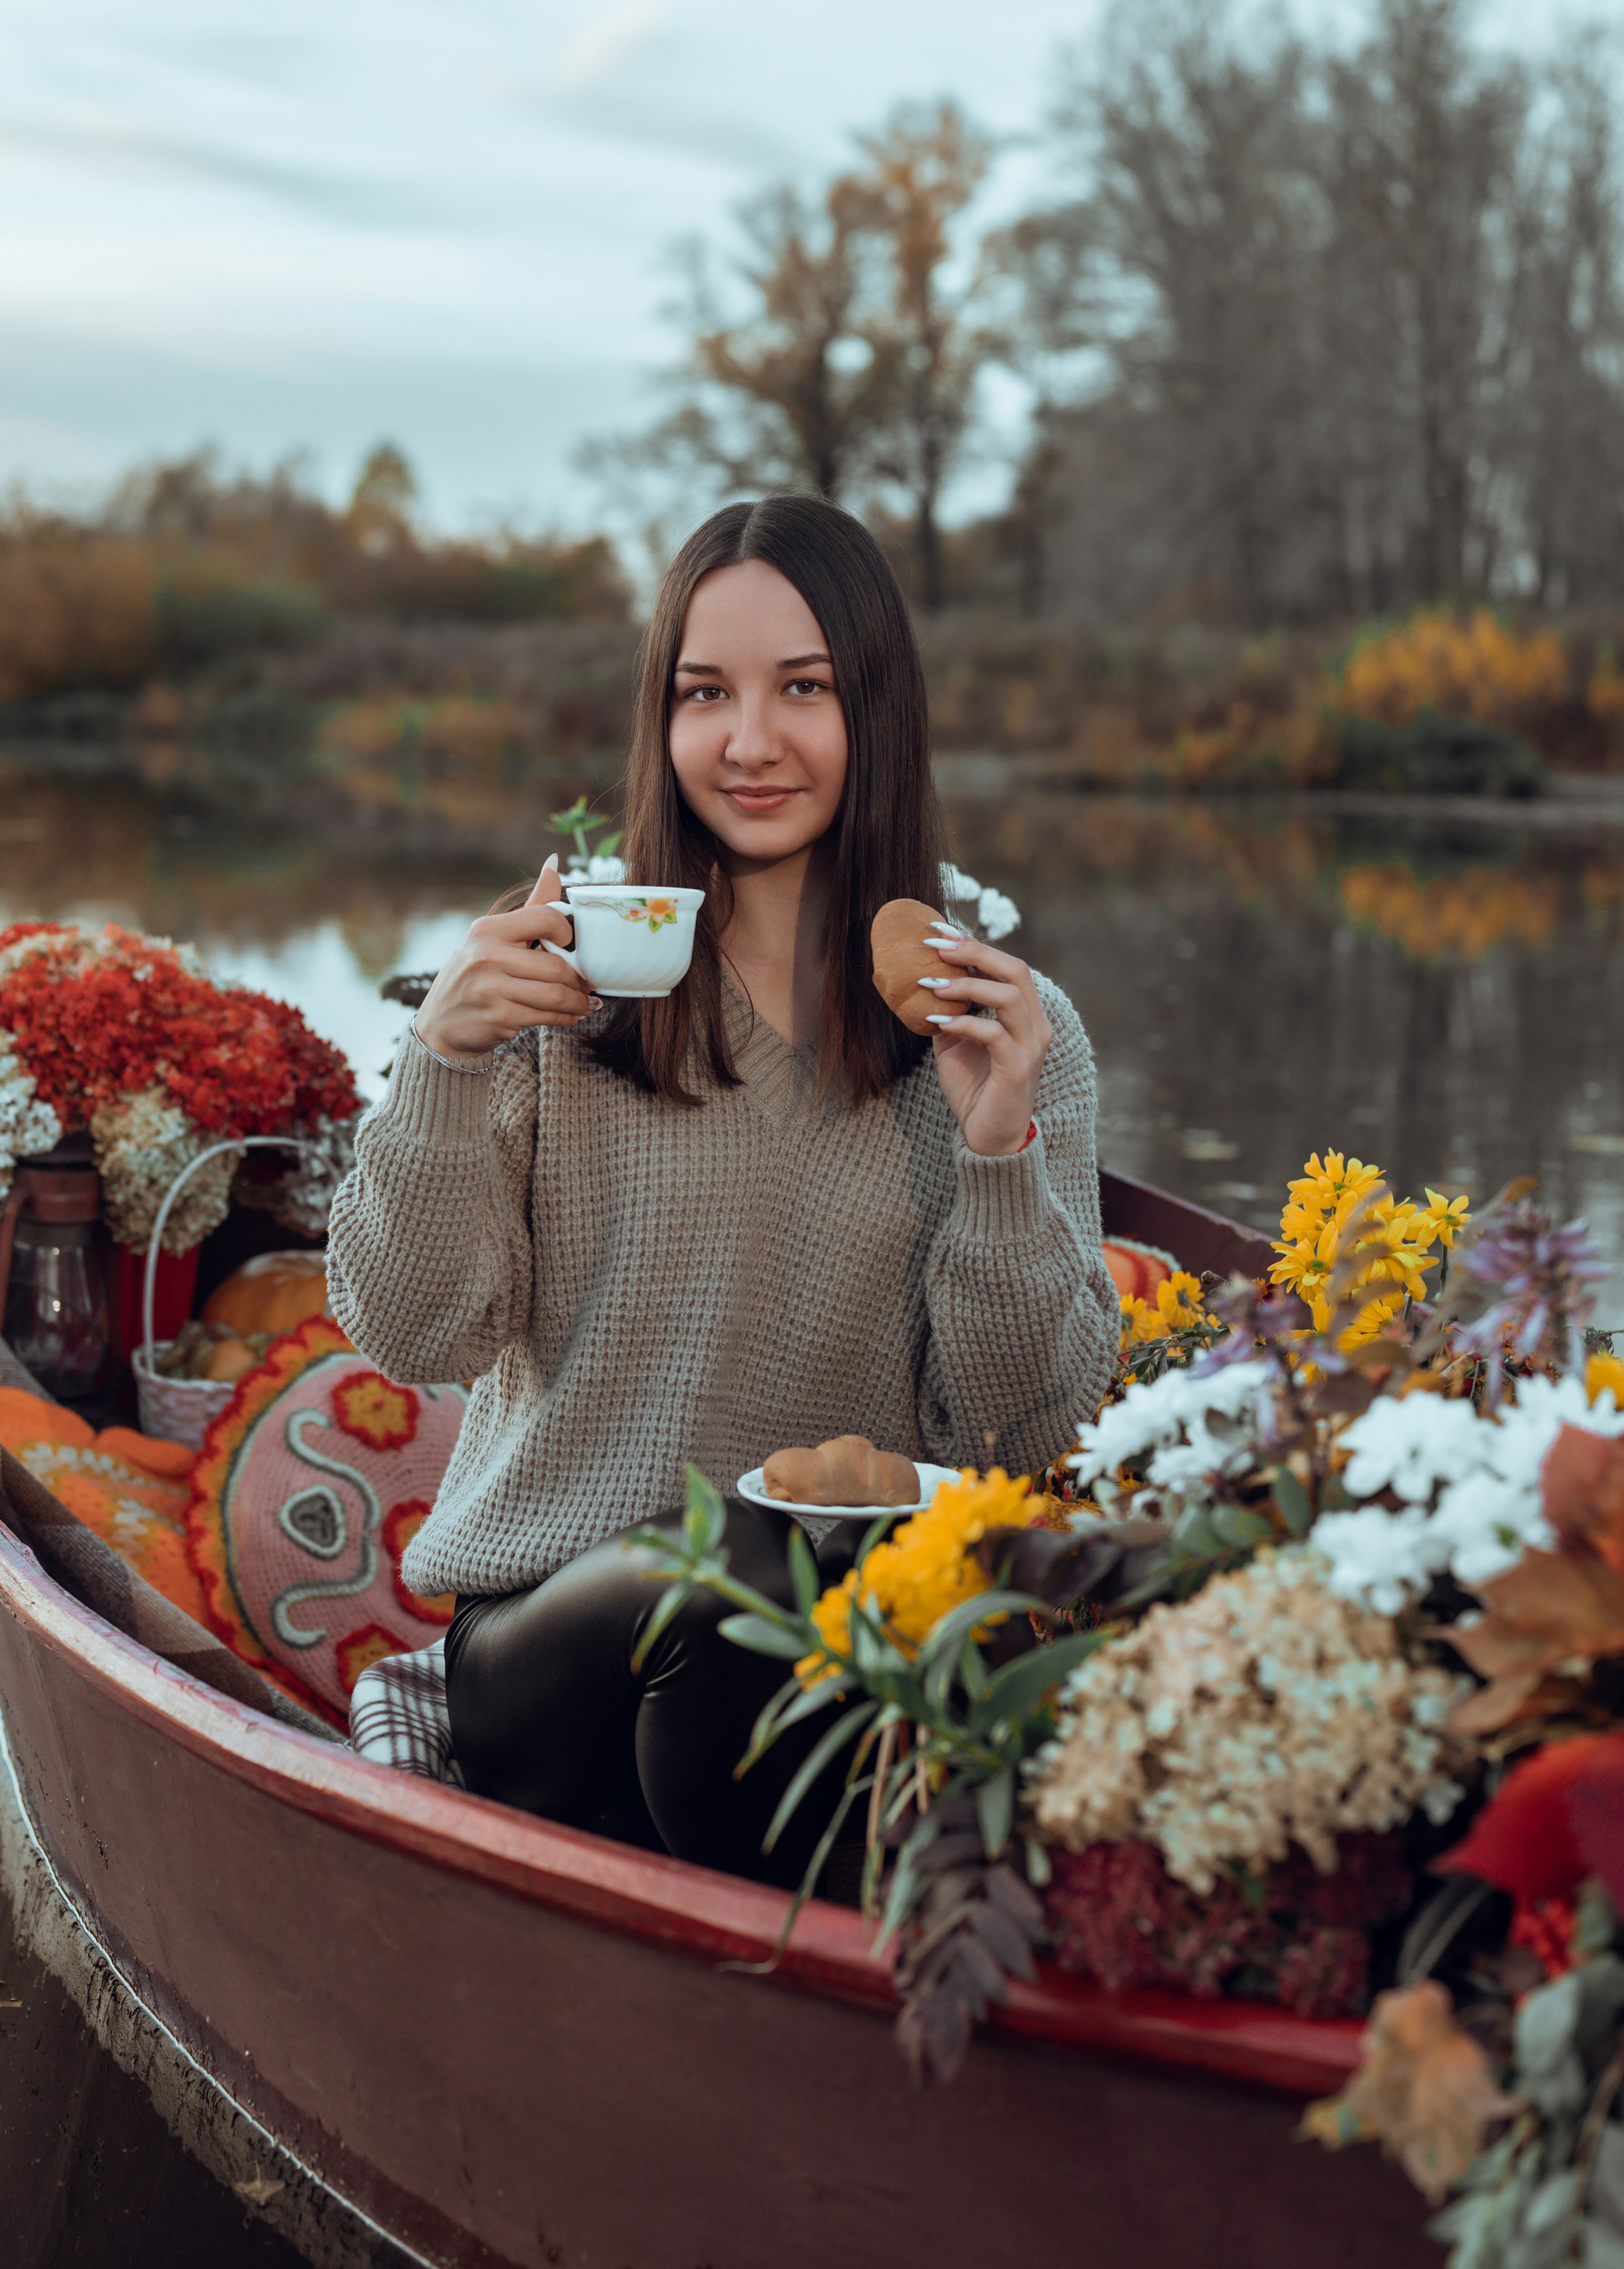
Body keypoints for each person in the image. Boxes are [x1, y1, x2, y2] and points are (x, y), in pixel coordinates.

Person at [327, 496, 1115, 1882]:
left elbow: (1021, 1435)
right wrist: (442, 1063)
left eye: (802, 688)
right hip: (548, 1645)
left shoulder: (1006, 1034)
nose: (749, 742)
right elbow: (411, 1333)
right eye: (707, 694)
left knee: (824, 1610)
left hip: (845, 1660)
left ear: (878, 709)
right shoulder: (559, 1001)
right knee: (741, 1566)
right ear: (662, 720)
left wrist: (1001, 1164)